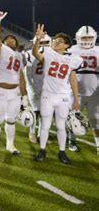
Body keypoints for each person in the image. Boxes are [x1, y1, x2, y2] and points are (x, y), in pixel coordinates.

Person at [32, 24, 82, 164]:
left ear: (66, 46)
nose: (55, 42)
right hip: (48, 94)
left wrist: (76, 99)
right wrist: (38, 39)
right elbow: (36, 53)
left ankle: (62, 152)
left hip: (63, 96)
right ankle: (42, 150)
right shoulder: (48, 53)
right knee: (45, 125)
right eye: (55, 40)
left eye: (59, 41)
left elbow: (73, 80)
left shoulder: (73, 59)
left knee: (61, 125)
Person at [0, 11, 28, 156]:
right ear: (3, 43)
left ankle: (10, 145)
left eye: (13, 39)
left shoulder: (19, 55)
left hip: (15, 92)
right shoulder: (0, 50)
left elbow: (21, 77)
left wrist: (24, 96)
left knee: (11, 120)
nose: (11, 40)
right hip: (0, 90)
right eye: (8, 40)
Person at [68, 25, 99, 154]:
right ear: (78, 38)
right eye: (84, 37)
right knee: (73, 119)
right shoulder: (71, 50)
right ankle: (72, 140)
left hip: (95, 92)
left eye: (89, 37)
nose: (86, 40)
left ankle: (98, 144)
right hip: (75, 92)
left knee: (96, 119)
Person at [24, 35, 51, 143]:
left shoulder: (53, 54)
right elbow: (27, 73)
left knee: (45, 113)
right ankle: (32, 133)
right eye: (41, 42)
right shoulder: (30, 54)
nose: (44, 45)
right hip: (34, 85)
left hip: (47, 87)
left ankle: (41, 134)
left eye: (46, 42)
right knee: (36, 112)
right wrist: (31, 87)